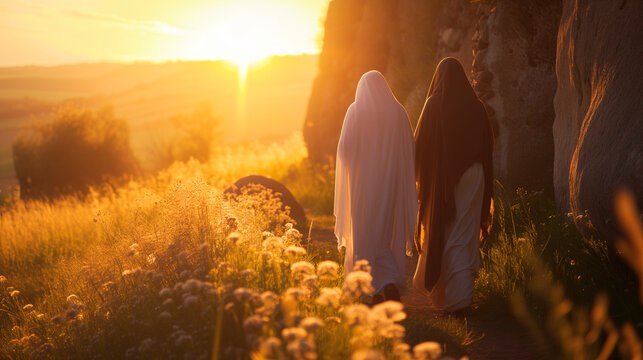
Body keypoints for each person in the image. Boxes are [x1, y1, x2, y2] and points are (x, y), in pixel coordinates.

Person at [413, 57, 494, 312]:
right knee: (465, 234)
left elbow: (419, 147)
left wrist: (419, 179)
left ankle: (449, 297)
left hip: (443, 180)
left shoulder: (433, 105)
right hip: (474, 176)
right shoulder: (477, 106)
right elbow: (487, 148)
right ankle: (462, 298)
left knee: (444, 231)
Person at [334, 70, 418, 304]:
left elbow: (344, 152)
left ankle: (372, 288)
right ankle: (388, 283)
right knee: (383, 234)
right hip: (389, 185)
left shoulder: (355, 111)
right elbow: (410, 148)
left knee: (363, 234)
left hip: (362, 186)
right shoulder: (398, 112)